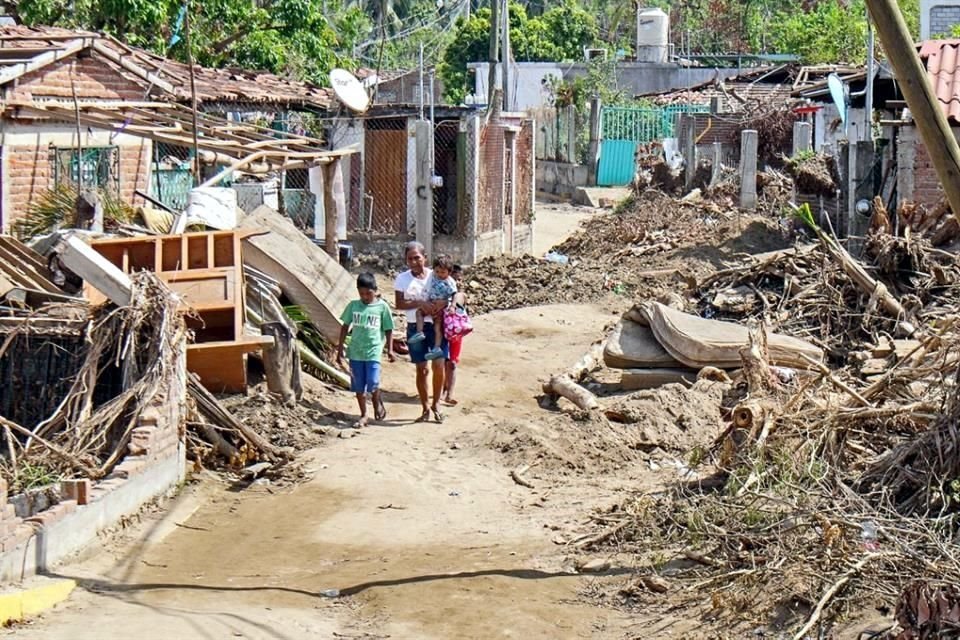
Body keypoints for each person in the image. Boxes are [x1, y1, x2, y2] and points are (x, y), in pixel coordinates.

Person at [394, 242, 448, 423]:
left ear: (425, 257)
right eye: (410, 259)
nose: (414, 262)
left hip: (437, 327)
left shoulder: (438, 275)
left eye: (417, 257)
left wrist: (443, 303)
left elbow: (453, 293)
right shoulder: (402, 279)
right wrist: (420, 303)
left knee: (439, 365)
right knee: (422, 369)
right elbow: (399, 304)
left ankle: (437, 404)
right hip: (415, 327)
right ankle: (425, 407)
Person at [337, 272, 395, 428]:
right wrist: (340, 348)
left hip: (373, 351)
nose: (365, 296)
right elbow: (344, 327)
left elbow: (389, 329)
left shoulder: (382, 307)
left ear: (375, 290)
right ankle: (364, 415)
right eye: (361, 293)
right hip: (355, 351)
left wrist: (389, 350)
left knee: (373, 382)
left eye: (368, 293)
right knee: (358, 386)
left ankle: (376, 400)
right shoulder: (353, 306)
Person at [407, 255, 457, 361]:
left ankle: (437, 348)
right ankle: (419, 332)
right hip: (430, 305)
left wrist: (451, 305)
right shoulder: (432, 276)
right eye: (437, 271)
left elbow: (455, 295)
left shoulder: (450, 282)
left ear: (449, 272)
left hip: (440, 309)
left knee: (437, 327)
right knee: (419, 313)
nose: (439, 274)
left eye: (443, 272)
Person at [443, 264, 471, 406]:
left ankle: (449, 394)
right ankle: (443, 389)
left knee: (452, 363)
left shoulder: (461, 296)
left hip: (455, 335)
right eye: (454, 278)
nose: (457, 282)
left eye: (459, 279)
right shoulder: (440, 292)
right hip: (443, 331)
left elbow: (459, 298)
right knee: (443, 362)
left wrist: (453, 304)